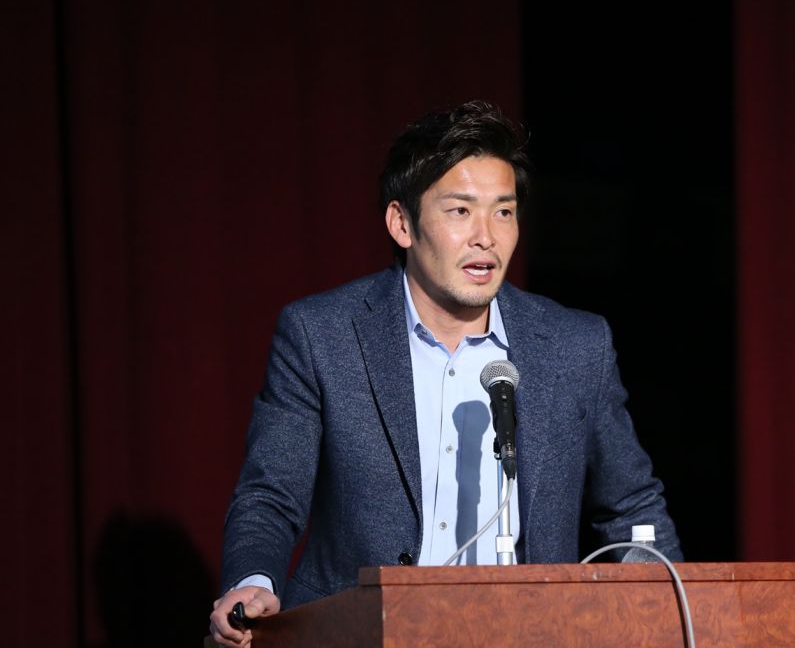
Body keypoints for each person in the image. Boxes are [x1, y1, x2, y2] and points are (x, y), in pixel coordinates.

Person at [208, 100, 682, 647]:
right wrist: (253, 582)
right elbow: (270, 495)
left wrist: (670, 619)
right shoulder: (323, 336)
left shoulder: (575, 346)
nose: (486, 236)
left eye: (503, 212)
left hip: (531, 634)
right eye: (460, 211)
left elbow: (631, 507)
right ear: (402, 223)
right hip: (362, 633)